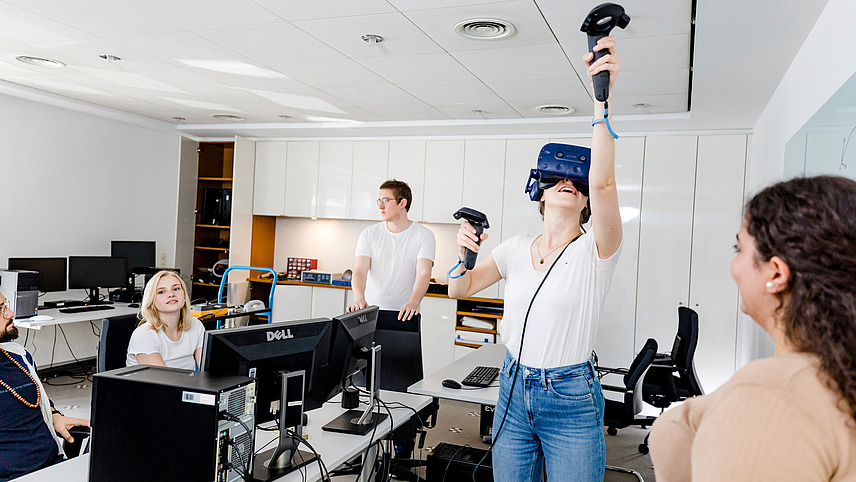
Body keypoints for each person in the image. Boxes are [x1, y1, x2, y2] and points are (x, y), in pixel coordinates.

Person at [449, 36, 622, 481]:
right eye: (556, 178)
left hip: (569, 396)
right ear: (539, 192)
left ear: (585, 201)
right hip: (512, 384)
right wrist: (465, 257)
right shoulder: (513, 248)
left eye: (576, 182)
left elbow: (602, 183)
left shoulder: (596, 250)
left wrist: (601, 99)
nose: (569, 183)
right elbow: (460, 290)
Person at [649, 175, 856, 480]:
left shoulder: (773, 396)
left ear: (775, 273)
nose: (734, 266)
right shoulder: (836, 372)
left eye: (739, 249)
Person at [0, 289, 89, 481]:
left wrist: (55, 416)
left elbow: (34, 396)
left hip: (54, 466)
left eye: (6, 305)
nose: (11, 314)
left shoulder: (18, 355)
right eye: (1, 309)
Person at [347, 179, 436, 321]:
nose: (380, 206)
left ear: (402, 203)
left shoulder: (424, 235)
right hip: (369, 312)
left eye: (386, 200)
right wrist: (359, 298)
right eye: (379, 201)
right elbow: (359, 271)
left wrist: (413, 302)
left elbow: (424, 273)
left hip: (405, 313)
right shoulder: (369, 234)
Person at [126, 270, 205, 370]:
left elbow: (207, 369)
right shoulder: (144, 335)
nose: (171, 294)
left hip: (187, 384)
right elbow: (162, 380)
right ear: (152, 301)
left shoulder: (196, 325)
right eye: (161, 292)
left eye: (176, 289)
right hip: (157, 385)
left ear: (184, 296)